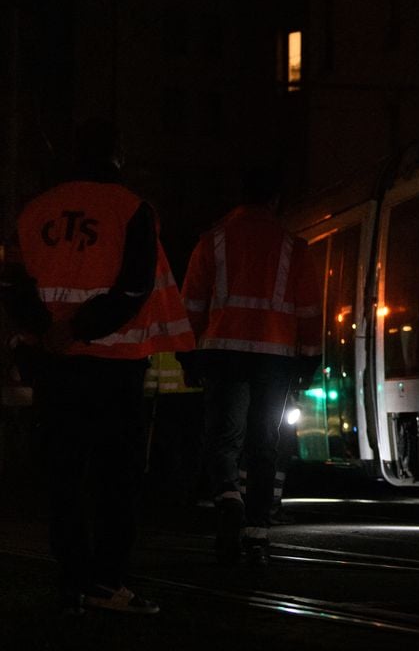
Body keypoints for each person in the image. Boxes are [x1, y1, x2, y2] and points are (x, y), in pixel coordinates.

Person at [0, 119, 194, 615]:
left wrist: (50, 329)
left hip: (54, 364)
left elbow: (14, 287)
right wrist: (81, 327)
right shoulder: (133, 210)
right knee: (116, 478)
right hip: (115, 366)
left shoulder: (34, 211)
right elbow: (133, 290)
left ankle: (71, 581)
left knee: (63, 474)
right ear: (118, 155)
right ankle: (106, 583)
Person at [181, 166, 320, 566]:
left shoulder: (212, 242)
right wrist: (309, 359)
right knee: (264, 443)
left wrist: (189, 354)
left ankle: (227, 497)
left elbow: (190, 304)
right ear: (276, 199)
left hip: (222, 351)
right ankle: (257, 533)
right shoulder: (295, 247)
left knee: (223, 439)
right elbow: (310, 312)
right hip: (275, 357)